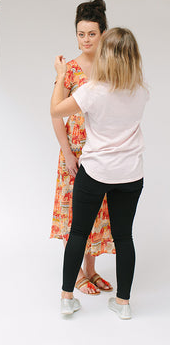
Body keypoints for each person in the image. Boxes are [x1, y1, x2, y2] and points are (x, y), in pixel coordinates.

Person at [51, 27, 148, 319]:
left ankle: (67, 298)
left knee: (78, 232)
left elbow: (56, 110)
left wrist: (60, 73)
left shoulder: (92, 91)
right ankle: (123, 303)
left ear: (106, 55)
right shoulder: (140, 90)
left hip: (96, 172)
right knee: (124, 238)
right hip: (130, 175)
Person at [50, 0, 114, 295]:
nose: (85, 39)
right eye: (80, 33)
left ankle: (91, 270)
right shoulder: (70, 69)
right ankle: (76, 273)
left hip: (101, 154)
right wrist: (67, 152)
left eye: (91, 33)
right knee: (73, 215)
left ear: (103, 33)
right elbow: (55, 113)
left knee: (97, 213)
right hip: (75, 155)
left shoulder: (110, 67)